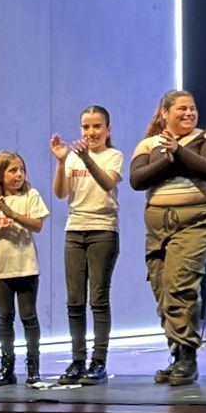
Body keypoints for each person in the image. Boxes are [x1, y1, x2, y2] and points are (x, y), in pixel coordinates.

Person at [129, 90, 206, 385]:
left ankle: (187, 356)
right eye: (182, 109)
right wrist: (169, 160)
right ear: (165, 113)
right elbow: (137, 179)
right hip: (158, 229)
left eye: (192, 108)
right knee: (163, 291)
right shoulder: (149, 144)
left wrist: (178, 153)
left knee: (180, 285)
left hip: (196, 222)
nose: (189, 113)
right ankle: (176, 352)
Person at [51, 106, 124, 386]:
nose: (91, 132)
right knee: (74, 301)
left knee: (98, 299)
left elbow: (107, 183)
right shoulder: (72, 157)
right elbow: (61, 193)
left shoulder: (113, 156)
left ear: (108, 129)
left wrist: (86, 159)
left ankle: (99, 362)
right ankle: (77, 360)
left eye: (96, 126)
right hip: (74, 230)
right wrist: (61, 162)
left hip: (103, 230)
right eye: (85, 127)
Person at [0, 151, 49, 387]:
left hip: (26, 267)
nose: (19, 175)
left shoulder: (31, 195)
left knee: (29, 316)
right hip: (1, 269)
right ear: (0, 174)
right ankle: (7, 367)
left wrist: (13, 214)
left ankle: (33, 368)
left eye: (22, 170)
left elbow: (37, 225)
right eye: (13, 170)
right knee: (5, 317)